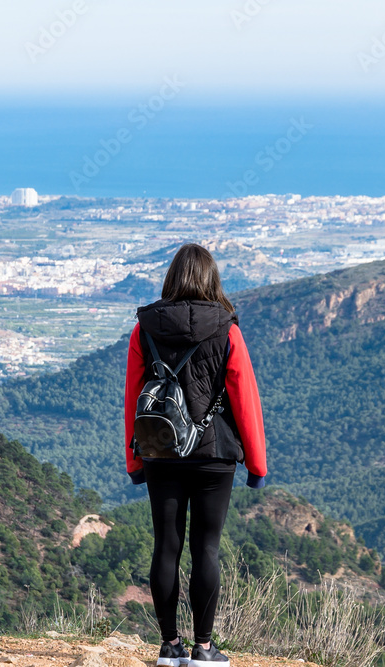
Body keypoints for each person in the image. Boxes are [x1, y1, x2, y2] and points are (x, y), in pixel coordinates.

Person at [123, 243, 268, 667]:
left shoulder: (144, 329)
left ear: (171, 278)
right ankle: (204, 648)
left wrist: (135, 461)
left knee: (165, 546)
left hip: (160, 451)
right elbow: (245, 401)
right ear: (211, 279)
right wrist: (256, 465)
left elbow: (134, 398)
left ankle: (169, 647)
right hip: (213, 454)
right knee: (206, 548)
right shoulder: (228, 331)